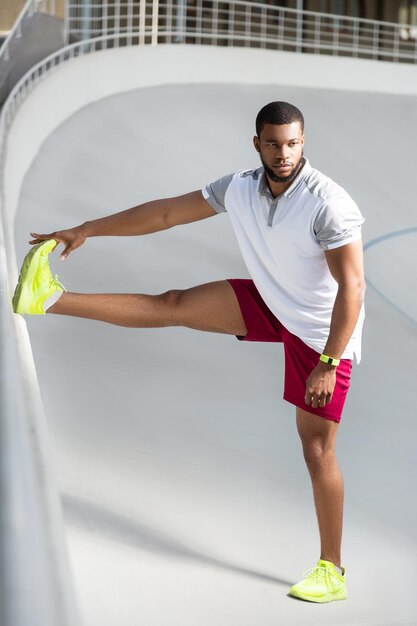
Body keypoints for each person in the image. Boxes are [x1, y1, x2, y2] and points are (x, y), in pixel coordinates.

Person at [13, 101, 365, 604]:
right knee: (173, 303)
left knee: (316, 449)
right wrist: (86, 228)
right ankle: (48, 299)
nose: (283, 153)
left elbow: (352, 288)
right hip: (271, 301)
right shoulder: (239, 187)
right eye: (273, 143)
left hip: (321, 332)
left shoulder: (329, 202)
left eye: (292, 143)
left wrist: (329, 362)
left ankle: (332, 571)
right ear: (257, 143)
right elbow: (163, 214)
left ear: (303, 142)